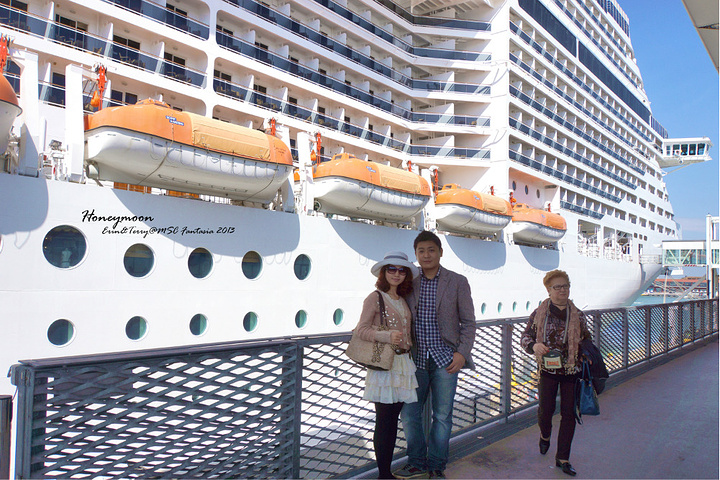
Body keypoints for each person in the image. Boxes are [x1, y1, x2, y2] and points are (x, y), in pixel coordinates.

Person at [394, 231, 476, 480]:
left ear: (440, 252)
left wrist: (462, 354)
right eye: (421, 251)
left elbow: (468, 322)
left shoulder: (457, 281)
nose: (426, 255)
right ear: (416, 254)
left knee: (442, 416)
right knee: (410, 414)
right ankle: (417, 463)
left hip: (446, 360)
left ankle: (437, 465)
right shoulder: (410, 282)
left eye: (431, 250)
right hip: (415, 360)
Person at [520, 270, 592, 477]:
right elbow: (525, 337)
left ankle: (563, 458)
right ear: (548, 290)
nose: (562, 290)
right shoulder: (539, 313)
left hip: (571, 370)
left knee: (569, 414)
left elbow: (586, 339)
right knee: (546, 411)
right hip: (547, 371)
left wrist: (585, 353)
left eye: (565, 286)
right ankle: (545, 435)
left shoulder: (578, 315)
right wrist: (534, 346)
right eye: (557, 287)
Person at [355, 251, 420, 479]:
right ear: (384, 272)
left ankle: (387, 473)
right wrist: (387, 336)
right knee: (384, 421)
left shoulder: (402, 299)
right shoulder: (375, 297)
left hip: (403, 363)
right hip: (385, 365)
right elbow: (361, 330)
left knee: (392, 421)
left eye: (402, 270)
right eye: (391, 269)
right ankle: (383, 474)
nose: (397, 273)